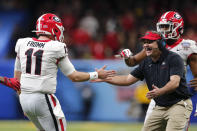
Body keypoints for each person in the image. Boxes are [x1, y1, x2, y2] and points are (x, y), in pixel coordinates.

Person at [14, 13, 115, 131]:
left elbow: (17, 78)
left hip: (25, 98)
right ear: (54, 28)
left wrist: (23, 100)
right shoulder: (56, 47)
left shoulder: (22, 43)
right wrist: (97, 74)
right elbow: (74, 76)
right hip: (42, 98)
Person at [97, 31, 193, 131]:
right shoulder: (146, 62)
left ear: (160, 44)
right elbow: (127, 80)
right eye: (144, 42)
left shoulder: (174, 58)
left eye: (149, 42)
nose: (145, 45)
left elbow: (174, 83)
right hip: (160, 106)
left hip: (179, 104)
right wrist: (105, 78)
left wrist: (160, 91)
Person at [119, 11, 197, 130]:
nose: (163, 30)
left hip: (178, 99)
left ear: (178, 28)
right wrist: (127, 57)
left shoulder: (187, 46)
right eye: (161, 27)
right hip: (158, 100)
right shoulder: (155, 44)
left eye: (166, 27)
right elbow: (133, 61)